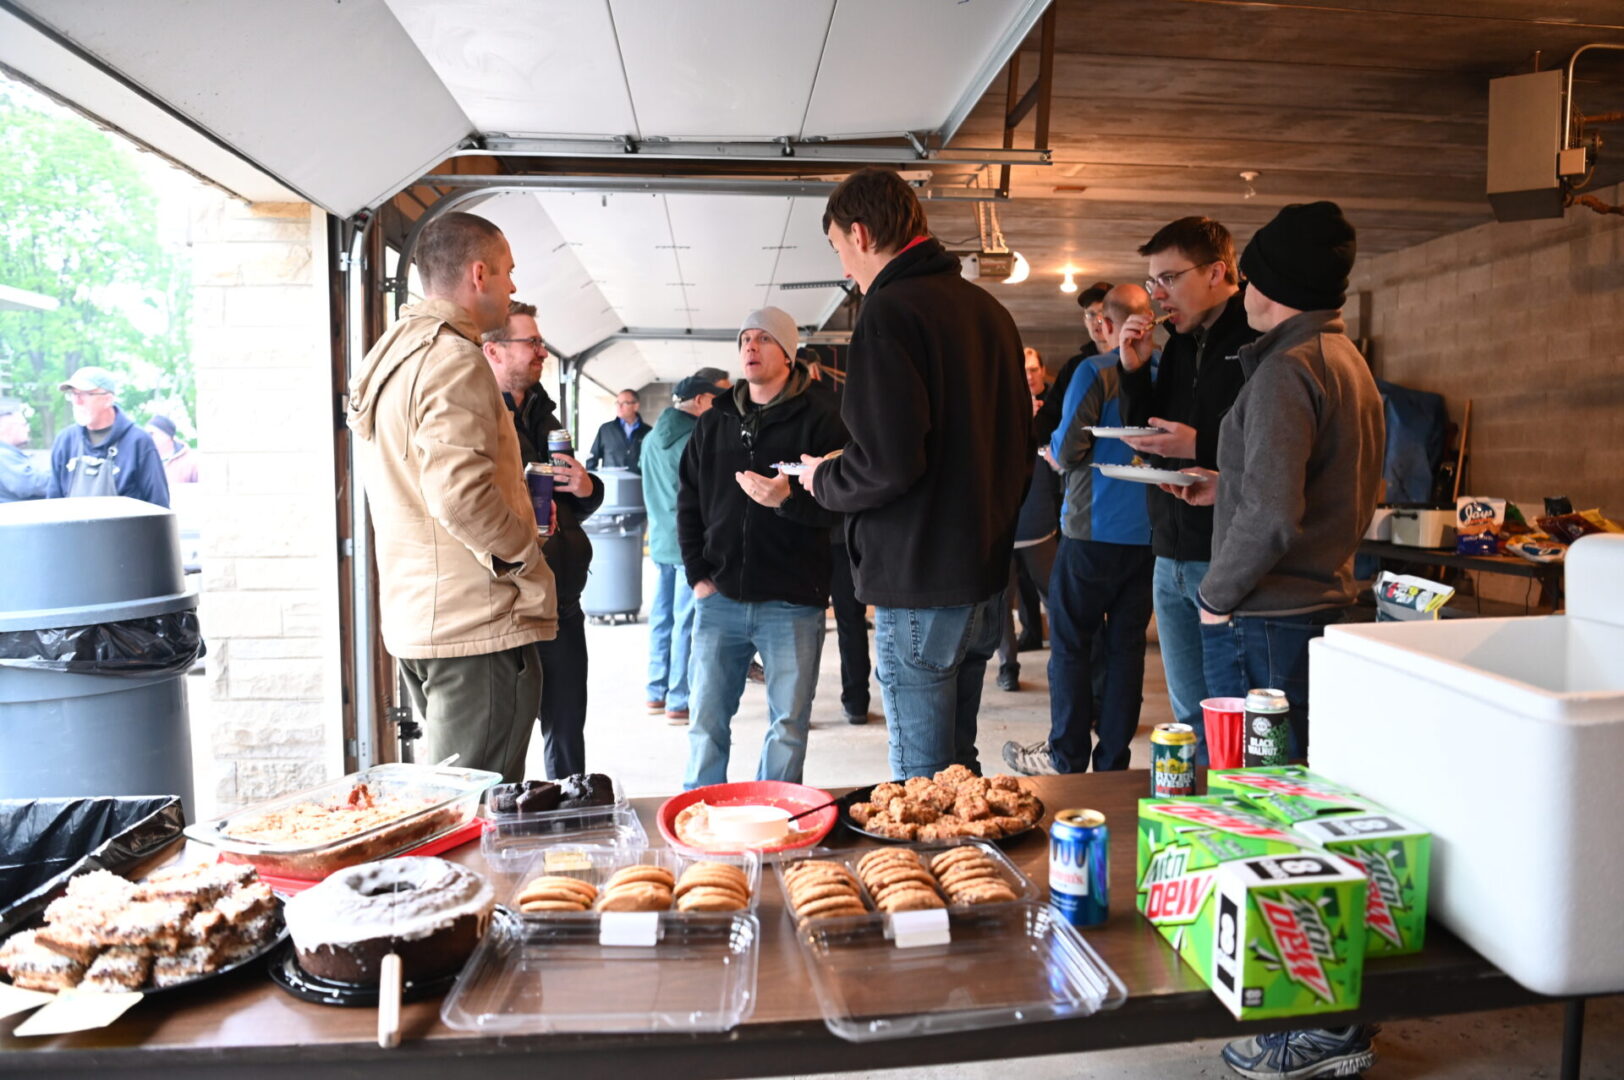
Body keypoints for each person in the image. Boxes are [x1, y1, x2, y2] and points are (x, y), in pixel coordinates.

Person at [1160, 204, 1383, 1080]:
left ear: (1275, 288)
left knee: (1275, 830)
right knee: (1303, 819)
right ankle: (1327, 1017)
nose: (1242, 288)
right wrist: (1230, 485)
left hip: (1268, 620)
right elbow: (1302, 490)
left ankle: (1320, 1029)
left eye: (1251, 276)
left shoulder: (1288, 369)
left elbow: (1280, 515)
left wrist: (1215, 596)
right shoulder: (1343, 358)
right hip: (1315, 609)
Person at [798, 168, 1030, 780]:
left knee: (921, 779)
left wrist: (823, 478)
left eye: (840, 250)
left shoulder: (889, 312)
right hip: (984, 579)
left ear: (861, 232)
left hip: (921, 580)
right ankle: (974, 874)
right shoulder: (990, 312)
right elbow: (1016, 450)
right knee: (961, 771)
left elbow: (887, 461)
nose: (846, 268)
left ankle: (936, 878)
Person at [347, 211, 557, 782]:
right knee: (472, 810)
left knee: (449, 799)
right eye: (509, 272)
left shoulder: (390, 353)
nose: (514, 287)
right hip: (474, 627)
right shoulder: (454, 359)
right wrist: (523, 552)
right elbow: (460, 495)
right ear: (479, 273)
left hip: (424, 618)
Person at [678, 307, 846, 788]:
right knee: (706, 722)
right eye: (745, 339)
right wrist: (698, 576)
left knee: (789, 725)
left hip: (793, 600)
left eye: (763, 339)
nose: (750, 346)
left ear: (788, 354)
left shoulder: (824, 418)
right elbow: (687, 501)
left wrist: (788, 500)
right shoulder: (715, 423)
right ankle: (700, 812)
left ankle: (773, 814)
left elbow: (841, 508)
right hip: (721, 596)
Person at [1116, 217, 1259, 763]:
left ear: (1217, 272)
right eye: (1153, 281)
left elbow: (1272, 448)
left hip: (1222, 556)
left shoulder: (1255, 341)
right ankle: (1197, 819)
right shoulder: (1176, 344)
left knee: (1232, 715)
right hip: (1168, 551)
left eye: (1169, 278)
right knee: (1186, 717)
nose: (1158, 294)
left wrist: (1200, 445)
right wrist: (1133, 371)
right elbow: (1151, 437)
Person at [1004, 285, 1157, 776]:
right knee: (1126, 650)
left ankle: (1067, 759)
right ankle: (1113, 762)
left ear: (1109, 326)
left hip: (1092, 532)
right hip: (1147, 537)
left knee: (1070, 646)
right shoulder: (1163, 372)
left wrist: (1055, 451)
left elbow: (1068, 450)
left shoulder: (1095, 371)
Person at [482, 300, 604, 778]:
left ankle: (569, 822)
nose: (541, 352)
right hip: (510, 606)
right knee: (506, 741)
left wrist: (586, 486)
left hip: (562, 604)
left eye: (540, 342)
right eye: (530, 342)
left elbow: (572, 501)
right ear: (492, 351)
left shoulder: (544, 413)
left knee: (568, 729)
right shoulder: (481, 417)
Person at [641, 372, 724, 725]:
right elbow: (706, 498)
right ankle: (679, 698)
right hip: (688, 546)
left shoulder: (649, 439)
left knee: (662, 620)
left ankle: (655, 693)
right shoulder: (695, 438)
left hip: (660, 542)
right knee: (686, 624)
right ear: (703, 400)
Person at [804, 349, 872, 725]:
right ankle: (856, 702)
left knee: (804, 625)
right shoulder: (843, 407)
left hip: (806, 532)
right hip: (844, 529)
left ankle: (801, 706)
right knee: (850, 620)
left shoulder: (792, 412)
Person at [996, 348, 1060, 691]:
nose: (1029, 376)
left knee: (1056, 595)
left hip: (1039, 523)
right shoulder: (994, 409)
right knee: (1000, 601)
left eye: (1034, 369)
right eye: (1023, 371)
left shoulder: (1054, 410)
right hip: (1003, 522)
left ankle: (1064, 660)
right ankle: (1008, 666)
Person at [48, 367, 169, 507]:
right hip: (74, 529)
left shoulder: (138, 441)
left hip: (126, 529)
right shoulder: (65, 441)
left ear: (108, 399)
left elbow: (158, 504)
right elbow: (53, 505)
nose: (77, 401)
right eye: (74, 394)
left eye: (85, 394)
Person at [1034, 281, 1114, 444]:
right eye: (1091, 314)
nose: (1097, 321)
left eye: (1103, 313)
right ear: (1084, 320)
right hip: (1081, 457)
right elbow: (1052, 415)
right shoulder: (1075, 367)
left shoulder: (1134, 362)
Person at [586, 388, 647, 471]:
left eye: (624, 403)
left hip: (639, 482)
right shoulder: (605, 430)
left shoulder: (648, 432)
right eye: (618, 403)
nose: (619, 406)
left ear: (636, 406)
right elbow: (591, 460)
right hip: (612, 482)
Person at [0, 399, 48, 503]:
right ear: (8, 429)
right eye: (24, 424)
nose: (28, 429)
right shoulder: (3, 456)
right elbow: (28, 483)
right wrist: (63, 475)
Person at [144, 415, 199, 485]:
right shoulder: (143, 460)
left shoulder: (192, 462)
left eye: (151, 433)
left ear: (167, 436)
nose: (146, 437)